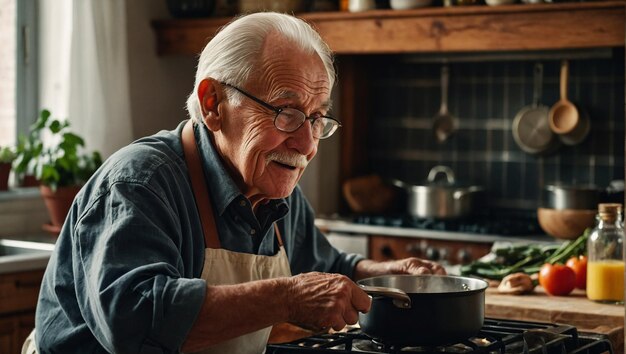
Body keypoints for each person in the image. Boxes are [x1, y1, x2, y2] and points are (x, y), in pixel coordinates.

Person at [33, 12, 445, 354]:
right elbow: (133, 321)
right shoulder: (140, 183)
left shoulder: (275, 188)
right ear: (213, 104)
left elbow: (325, 269)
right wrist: (285, 298)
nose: (306, 144)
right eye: (287, 111)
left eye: (317, 118)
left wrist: (388, 274)